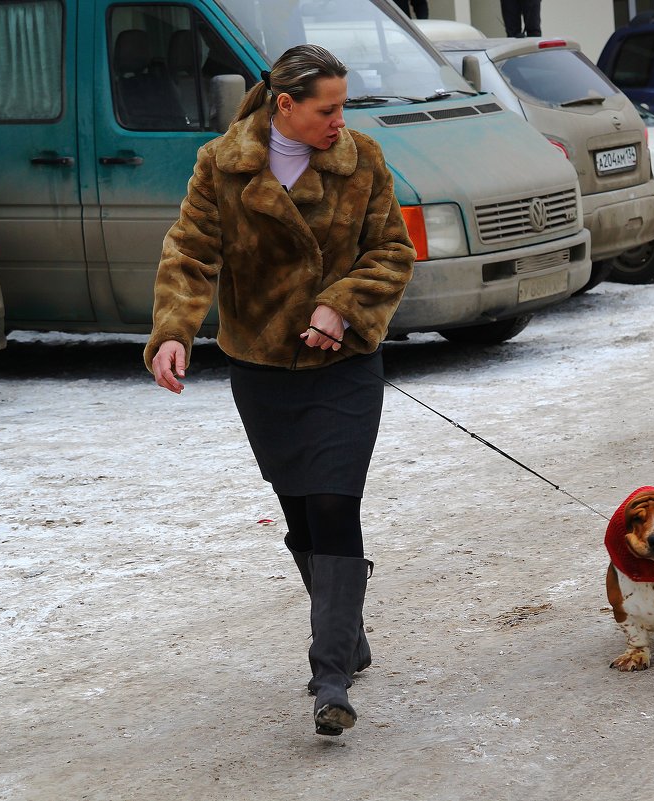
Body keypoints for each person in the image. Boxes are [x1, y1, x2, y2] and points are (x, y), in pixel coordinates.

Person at [144, 44, 415, 737]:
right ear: (284, 105)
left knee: (333, 500)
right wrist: (173, 329)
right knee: (298, 510)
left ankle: (331, 676)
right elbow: (191, 252)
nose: (339, 121)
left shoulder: (363, 161)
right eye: (327, 109)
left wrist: (341, 305)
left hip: (345, 364)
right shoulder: (221, 165)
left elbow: (391, 250)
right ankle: (347, 632)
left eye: (342, 106)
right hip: (262, 368)